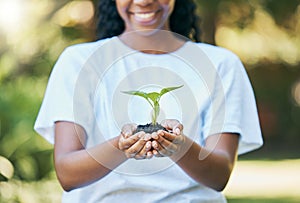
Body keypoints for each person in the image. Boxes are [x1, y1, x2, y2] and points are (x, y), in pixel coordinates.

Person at [34, 0, 263, 202]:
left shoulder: (221, 65)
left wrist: (178, 145)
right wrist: (122, 146)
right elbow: (67, 173)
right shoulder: (78, 62)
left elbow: (220, 175)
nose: (143, 1)